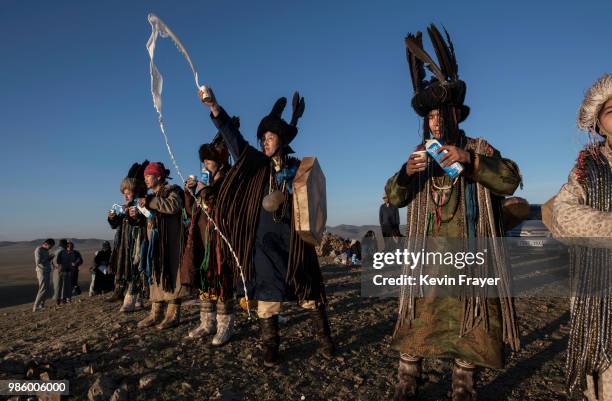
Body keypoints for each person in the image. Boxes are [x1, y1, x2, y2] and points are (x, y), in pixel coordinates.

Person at [385, 25, 522, 401]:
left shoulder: (479, 147)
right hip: (426, 261)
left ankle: (464, 384)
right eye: (430, 116)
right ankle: (408, 379)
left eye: (441, 114)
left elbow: (510, 180)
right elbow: (393, 199)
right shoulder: (418, 155)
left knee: (472, 324)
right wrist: (404, 174)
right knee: (417, 324)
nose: (436, 122)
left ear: (457, 114)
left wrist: (471, 161)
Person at [200, 87, 334, 367]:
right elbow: (233, 139)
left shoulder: (299, 168)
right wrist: (215, 107)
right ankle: (271, 348)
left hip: (296, 241)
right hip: (264, 242)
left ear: (281, 139)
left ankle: (325, 341)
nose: (264, 142)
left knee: (309, 293)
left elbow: (314, 200)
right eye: (262, 138)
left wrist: (291, 191)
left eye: (269, 137)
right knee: (267, 297)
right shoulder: (256, 165)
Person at [550, 73, 612, 401]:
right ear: (599, 124)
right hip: (597, 299)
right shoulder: (584, 171)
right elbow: (562, 215)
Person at [181, 131, 235, 346]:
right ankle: (207, 321)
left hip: (222, 237)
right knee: (205, 276)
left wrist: (206, 193)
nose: (205, 163)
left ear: (220, 161)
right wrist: (190, 192)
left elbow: (226, 206)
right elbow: (191, 210)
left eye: (209, 159)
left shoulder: (231, 178)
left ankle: (225, 324)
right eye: (203, 160)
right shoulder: (204, 180)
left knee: (222, 277)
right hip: (203, 237)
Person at [137, 162, 187, 330]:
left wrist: (151, 201)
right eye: (144, 177)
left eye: (148, 176)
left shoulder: (173, 190)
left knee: (172, 275)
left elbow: (173, 206)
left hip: (171, 242)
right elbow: (152, 215)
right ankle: (155, 313)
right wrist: (138, 213)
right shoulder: (152, 196)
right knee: (156, 274)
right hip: (155, 243)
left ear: (159, 176)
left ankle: (173, 315)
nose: (146, 180)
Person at [108, 161, 149, 313]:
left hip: (138, 242)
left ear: (137, 191)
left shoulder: (143, 204)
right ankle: (137, 300)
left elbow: (144, 221)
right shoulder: (124, 207)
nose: (125, 195)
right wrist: (112, 217)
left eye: (128, 192)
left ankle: (131, 299)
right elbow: (115, 225)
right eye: (124, 193)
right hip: (125, 243)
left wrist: (136, 215)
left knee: (136, 267)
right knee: (129, 267)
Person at [33, 239, 55, 312]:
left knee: (46, 289)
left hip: (47, 271)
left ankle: (41, 305)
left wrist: (50, 259)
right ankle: (35, 306)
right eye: (50, 246)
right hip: (41, 271)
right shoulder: (38, 250)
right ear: (45, 244)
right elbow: (38, 262)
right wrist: (48, 258)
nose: (50, 248)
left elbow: (46, 261)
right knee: (42, 289)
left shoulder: (46, 250)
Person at [54, 239, 73, 304]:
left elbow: (52, 261)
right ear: (65, 244)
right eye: (66, 244)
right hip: (63, 270)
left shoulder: (55, 251)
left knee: (58, 286)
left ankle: (58, 300)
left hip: (56, 271)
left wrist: (55, 267)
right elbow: (65, 262)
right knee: (64, 286)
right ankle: (63, 300)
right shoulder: (63, 252)